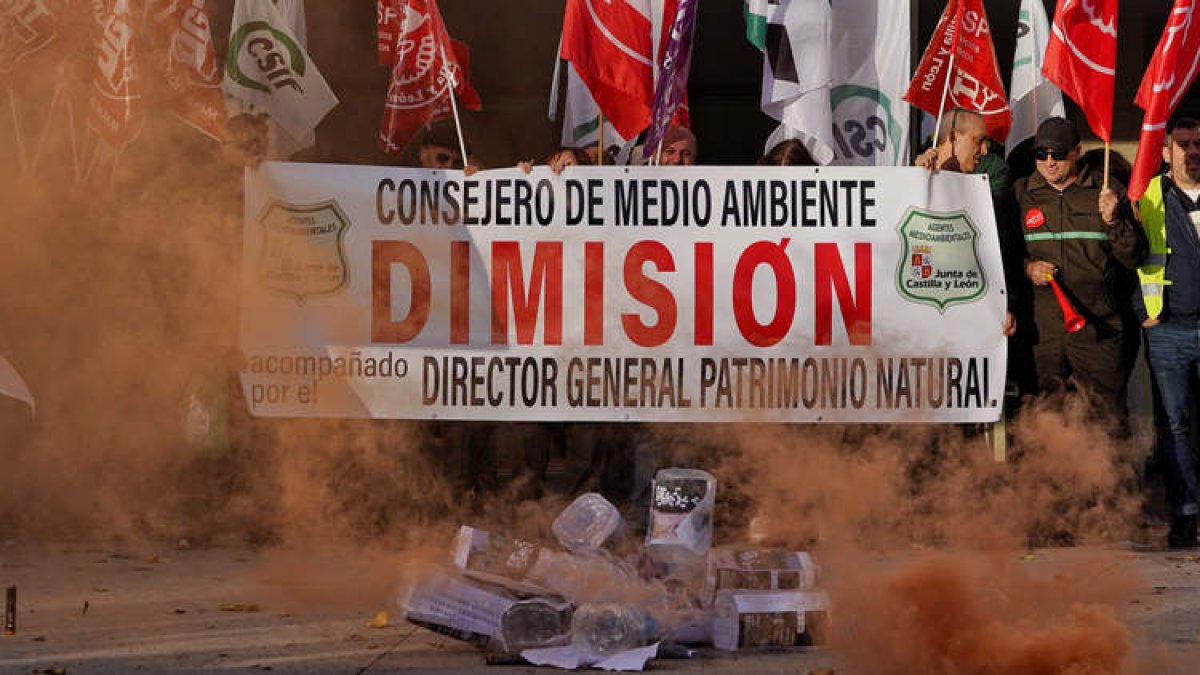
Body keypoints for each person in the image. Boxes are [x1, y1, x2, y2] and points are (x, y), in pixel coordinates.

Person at [1014, 117, 1145, 420]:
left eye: (1058, 154)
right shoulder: (1021, 194)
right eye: (1041, 153)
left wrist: (1114, 221)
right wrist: (1027, 268)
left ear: (1076, 152)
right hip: (1043, 332)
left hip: (1098, 329)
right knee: (1043, 417)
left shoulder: (1106, 191)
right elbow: (1001, 254)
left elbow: (1135, 257)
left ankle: (1107, 470)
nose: (1049, 162)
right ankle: (1051, 470)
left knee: (1106, 419)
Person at [1133, 116, 1200, 549]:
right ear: (1165, 151)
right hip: (1168, 327)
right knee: (1174, 426)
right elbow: (1126, 251)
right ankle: (1185, 516)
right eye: (1183, 144)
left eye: (1198, 143)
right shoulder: (1147, 196)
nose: (1193, 151)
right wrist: (1143, 309)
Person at [915, 108, 1021, 340]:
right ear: (953, 137)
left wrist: (1005, 303)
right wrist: (915, 178)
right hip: (922, 320)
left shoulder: (988, 187)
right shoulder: (911, 177)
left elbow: (998, 251)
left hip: (973, 321)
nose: (984, 151)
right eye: (979, 141)